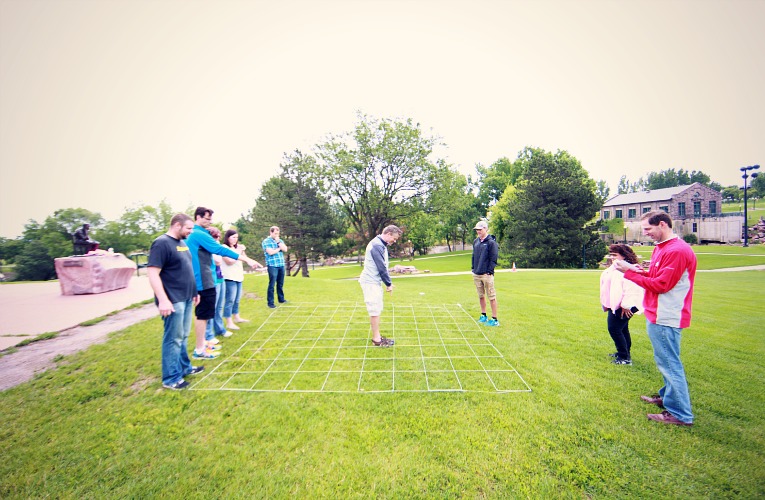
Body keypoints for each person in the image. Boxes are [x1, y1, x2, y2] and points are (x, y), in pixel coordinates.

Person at [614, 210, 697, 426]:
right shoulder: (662, 248)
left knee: (670, 364)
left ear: (662, 224)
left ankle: (680, 414)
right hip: (657, 312)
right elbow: (655, 276)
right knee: (665, 361)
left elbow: (661, 285)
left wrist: (629, 273)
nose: (646, 233)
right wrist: (635, 269)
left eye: (648, 229)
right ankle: (668, 398)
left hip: (667, 315)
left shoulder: (677, 251)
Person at [186, 207, 260, 360]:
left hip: (207, 278)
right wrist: (246, 259)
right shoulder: (198, 233)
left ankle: (205, 343)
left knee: (205, 314)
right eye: (207, 218)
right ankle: (200, 349)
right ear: (198, 217)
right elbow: (219, 249)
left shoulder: (200, 233)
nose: (210, 221)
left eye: (211, 219)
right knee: (202, 314)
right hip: (202, 280)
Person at [146, 214, 203, 390]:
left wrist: (194, 291)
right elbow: (153, 273)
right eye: (188, 228)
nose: (190, 232)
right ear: (177, 225)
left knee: (184, 336)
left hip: (186, 297)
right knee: (173, 338)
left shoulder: (182, 243)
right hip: (172, 300)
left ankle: (185, 368)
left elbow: (186, 269)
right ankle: (171, 378)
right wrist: (163, 300)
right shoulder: (161, 243)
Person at [600, 244, 644, 365]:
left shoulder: (629, 268)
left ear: (624, 256)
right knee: (622, 329)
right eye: (611, 255)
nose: (612, 257)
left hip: (625, 306)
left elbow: (632, 288)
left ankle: (624, 357)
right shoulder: (616, 267)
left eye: (615, 255)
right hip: (616, 304)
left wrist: (627, 305)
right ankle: (623, 353)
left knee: (614, 329)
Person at [359, 225, 402, 347]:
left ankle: (377, 337)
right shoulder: (377, 245)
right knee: (375, 310)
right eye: (394, 239)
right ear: (388, 233)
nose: (394, 241)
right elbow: (381, 267)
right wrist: (388, 284)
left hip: (373, 282)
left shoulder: (380, 244)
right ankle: (377, 340)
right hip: (370, 283)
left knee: (376, 309)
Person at [222, 229, 261, 330]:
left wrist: (252, 263)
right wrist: (238, 252)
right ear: (228, 237)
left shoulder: (238, 248)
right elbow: (229, 261)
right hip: (229, 277)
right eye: (233, 237)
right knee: (230, 299)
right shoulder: (224, 247)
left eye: (236, 237)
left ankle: (237, 317)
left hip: (238, 276)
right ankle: (229, 321)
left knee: (237, 299)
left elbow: (245, 259)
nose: (235, 239)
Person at [204, 226, 229, 348]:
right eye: (215, 236)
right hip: (211, 280)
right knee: (211, 308)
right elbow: (218, 261)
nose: (217, 239)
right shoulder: (206, 247)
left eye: (219, 236)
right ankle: (208, 335)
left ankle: (220, 329)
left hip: (220, 278)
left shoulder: (215, 246)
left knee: (219, 307)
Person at [472, 220, 499, 326]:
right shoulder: (476, 241)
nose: (478, 231)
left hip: (486, 274)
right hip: (477, 273)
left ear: (485, 229)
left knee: (491, 296)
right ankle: (483, 315)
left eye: (480, 229)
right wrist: (473, 268)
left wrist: (489, 271)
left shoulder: (491, 242)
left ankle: (494, 319)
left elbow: (493, 258)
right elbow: (474, 256)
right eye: (477, 230)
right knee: (481, 295)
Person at [262, 226, 288, 309]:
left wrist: (279, 243)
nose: (277, 235)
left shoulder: (280, 241)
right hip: (272, 265)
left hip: (281, 264)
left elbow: (285, 249)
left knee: (280, 284)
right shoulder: (266, 241)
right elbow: (270, 252)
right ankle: (270, 303)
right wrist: (278, 249)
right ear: (271, 232)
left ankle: (281, 299)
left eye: (278, 233)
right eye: (275, 233)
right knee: (272, 284)